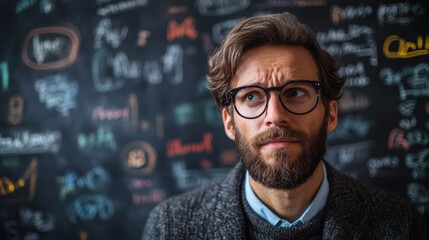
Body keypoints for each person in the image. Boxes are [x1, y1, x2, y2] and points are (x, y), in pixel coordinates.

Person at [143, 12, 427, 239]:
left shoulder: (398, 225)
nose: (276, 115)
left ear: (330, 114)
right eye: (252, 96)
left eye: (296, 92)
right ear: (229, 122)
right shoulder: (171, 228)